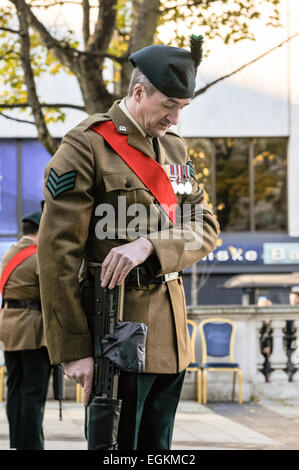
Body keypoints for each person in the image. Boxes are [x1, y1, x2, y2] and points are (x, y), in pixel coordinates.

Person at [37, 36, 220, 450]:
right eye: (168, 105)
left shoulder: (174, 149)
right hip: (115, 335)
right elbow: (57, 254)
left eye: (182, 108)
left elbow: (204, 224)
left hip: (171, 337)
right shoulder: (86, 145)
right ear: (139, 92)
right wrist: (73, 349)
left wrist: (150, 245)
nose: (175, 118)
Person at [0, 210, 52, 450]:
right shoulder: (38, 254)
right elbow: (51, 291)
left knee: (15, 387)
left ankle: (18, 441)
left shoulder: (10, 253)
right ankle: (31, 444)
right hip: (31, 328)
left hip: (10, 326)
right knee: (34, 390)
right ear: (40, 231)